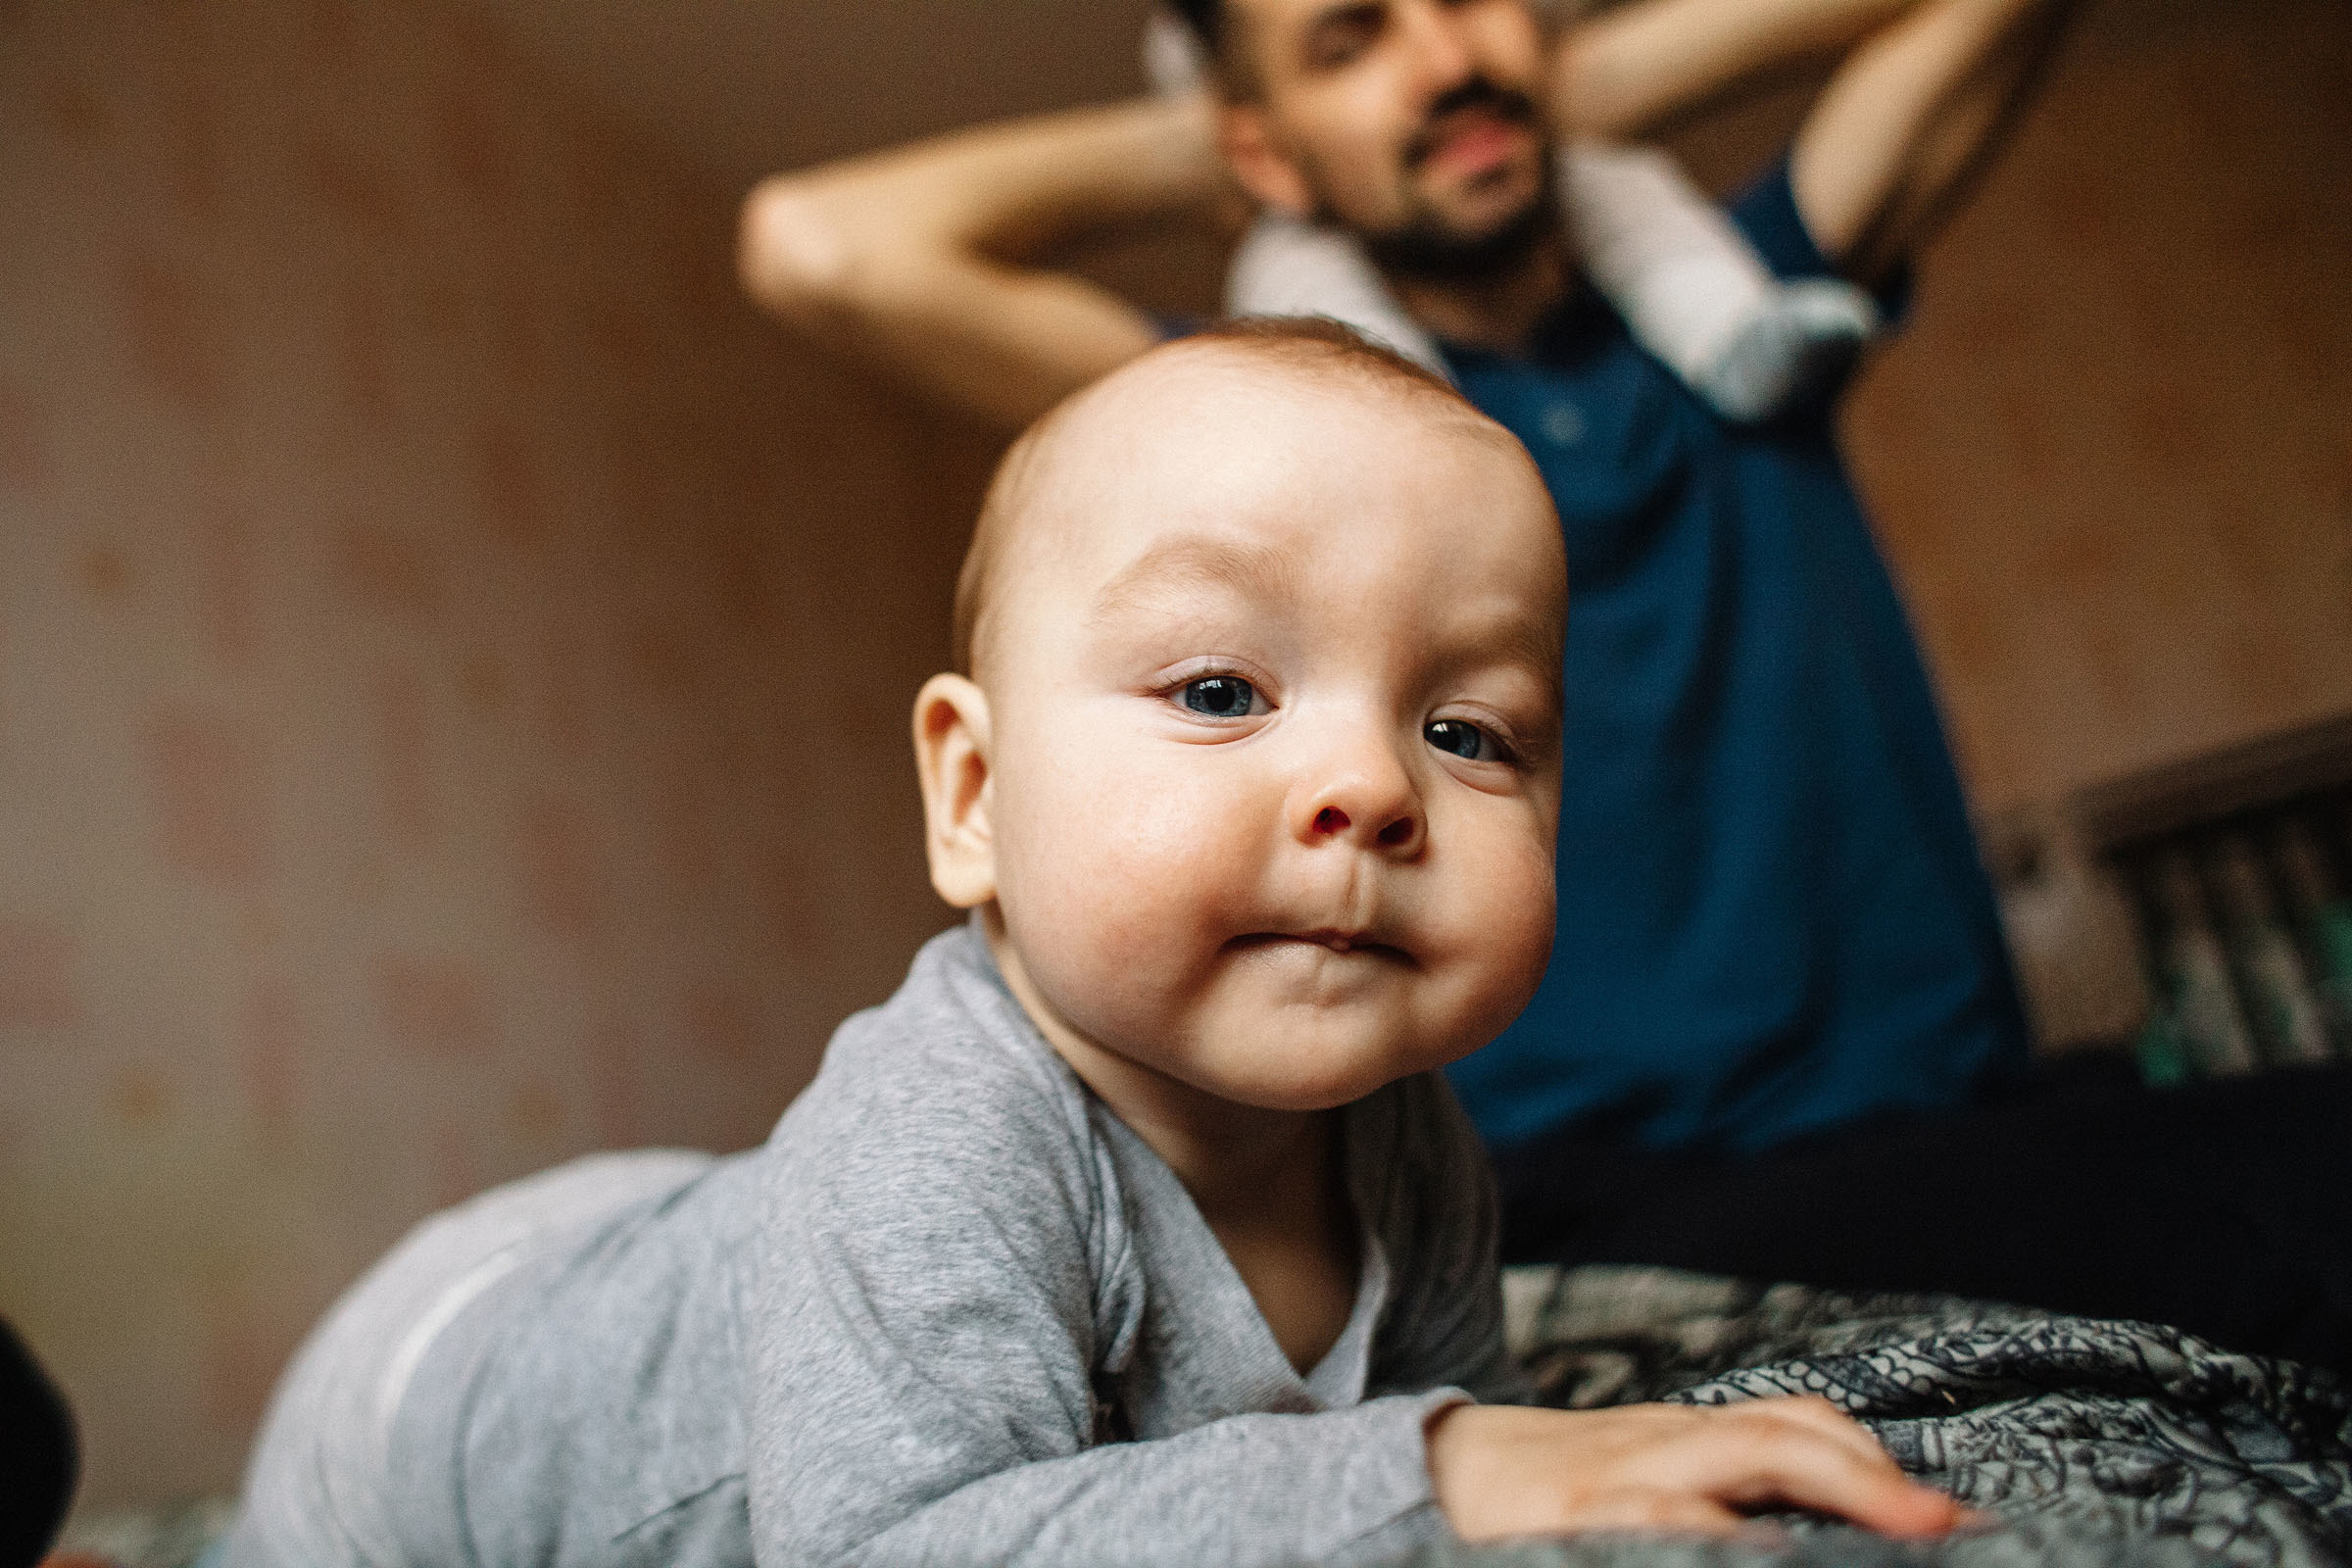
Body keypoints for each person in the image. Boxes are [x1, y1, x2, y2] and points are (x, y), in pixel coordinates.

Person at [737, 0, 2352, 1373]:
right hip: (1583, 1196)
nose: (1445, 61)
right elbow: (822, 247)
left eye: (1478, 1)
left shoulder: (1750, 322)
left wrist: (1521, 88)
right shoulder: (1275, 443)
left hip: (1965, 1108)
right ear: (1261, 151)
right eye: (1357, 33)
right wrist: (1266, 132)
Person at [222, 325, 1972, 1568]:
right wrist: (1454, 1469)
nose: (1370, 784)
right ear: (974, 793)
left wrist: (1511, 1465)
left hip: (700, 1228)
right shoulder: (946, 1140)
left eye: (1472, 730)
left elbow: (1431, 1466)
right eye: (1223, 692)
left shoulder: (1412, 1151)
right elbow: (892, 1546)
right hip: (421, 1409)